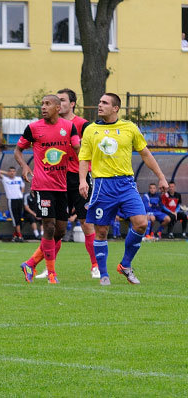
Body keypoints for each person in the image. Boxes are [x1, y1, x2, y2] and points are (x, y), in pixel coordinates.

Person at [79, 93, 168, 286]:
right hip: (102, 185)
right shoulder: (90, 130)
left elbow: (145, 154)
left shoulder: (129, 128)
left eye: (104, 103)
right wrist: (82, 181)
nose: (99, 105)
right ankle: (103, 274)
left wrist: (161, 176)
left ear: (115, 108)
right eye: (99, 101)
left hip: (126, 184)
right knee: (101, 231)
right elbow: (84, 158)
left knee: (141, 223)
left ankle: (125, 265)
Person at [16, 95, 80, 284]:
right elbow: (18, 150)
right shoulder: (34, 128)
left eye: (47, 104)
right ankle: (52, 274)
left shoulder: (69, 127)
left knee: (60, 231)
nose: (43, 107)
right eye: (42, 104)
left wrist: (87, 162)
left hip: (63, 185)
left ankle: (30, 263)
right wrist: (25, 167)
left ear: (58, 108)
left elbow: (77, 147)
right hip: (42, 185)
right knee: (49, 226)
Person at [0, 167, 25, 241]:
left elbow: (23, 186)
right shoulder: (5, 179)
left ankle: (15, 235)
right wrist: (6, 173)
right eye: (10, 171)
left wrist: (21, 194)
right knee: (15, 218)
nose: (12, 173)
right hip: (11, 200)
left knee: (19, 217)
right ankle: (19, 235)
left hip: (19, 200)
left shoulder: (19, 179)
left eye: (13, 171)